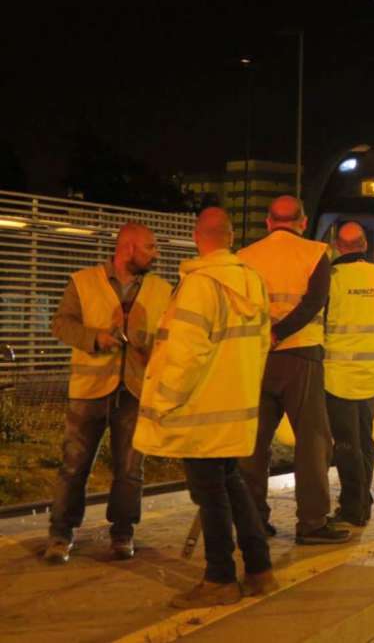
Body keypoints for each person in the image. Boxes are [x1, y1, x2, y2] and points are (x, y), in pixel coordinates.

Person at [134, 207, 277, 608]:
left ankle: (219, 579)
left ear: (198, 237)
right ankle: (260, 569)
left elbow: (186, 355)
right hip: (233, 410)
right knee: (232, 485)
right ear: (230, 238)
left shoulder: (200, 285)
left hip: (199, 412)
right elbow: (262, 345)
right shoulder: (253, 282)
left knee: (210, 496)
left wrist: (163, 400)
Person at [45, 223, 171, 564]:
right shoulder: (83, 282)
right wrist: (95, 338)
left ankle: (123, 533)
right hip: (90, 390)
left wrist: (149, 348)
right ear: (128, 248)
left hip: (135, 389)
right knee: (74, 466)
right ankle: (61, 534)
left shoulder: (162, 290)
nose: (156, 253)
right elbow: (61, 324)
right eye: (150, 247)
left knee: (130, 469)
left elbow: (170, 338)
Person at [237, 196, 349, 544]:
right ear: (302, 222)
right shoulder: (315, 253)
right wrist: (281, 331)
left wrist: (264, 335)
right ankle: (312, 522)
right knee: (312, 442)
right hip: (301, 356)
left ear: (269, 222)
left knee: (253, 443)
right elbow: (314, 302)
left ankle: (253, 520)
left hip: (256, 359)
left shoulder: (245, 257)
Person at [324, 222, 374, 528]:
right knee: (365, 439)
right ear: (364, 244)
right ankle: (363, 501)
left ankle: (353, 507)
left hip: (339, 376)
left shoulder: (332, 279)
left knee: (346, 443)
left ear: (337, 246)